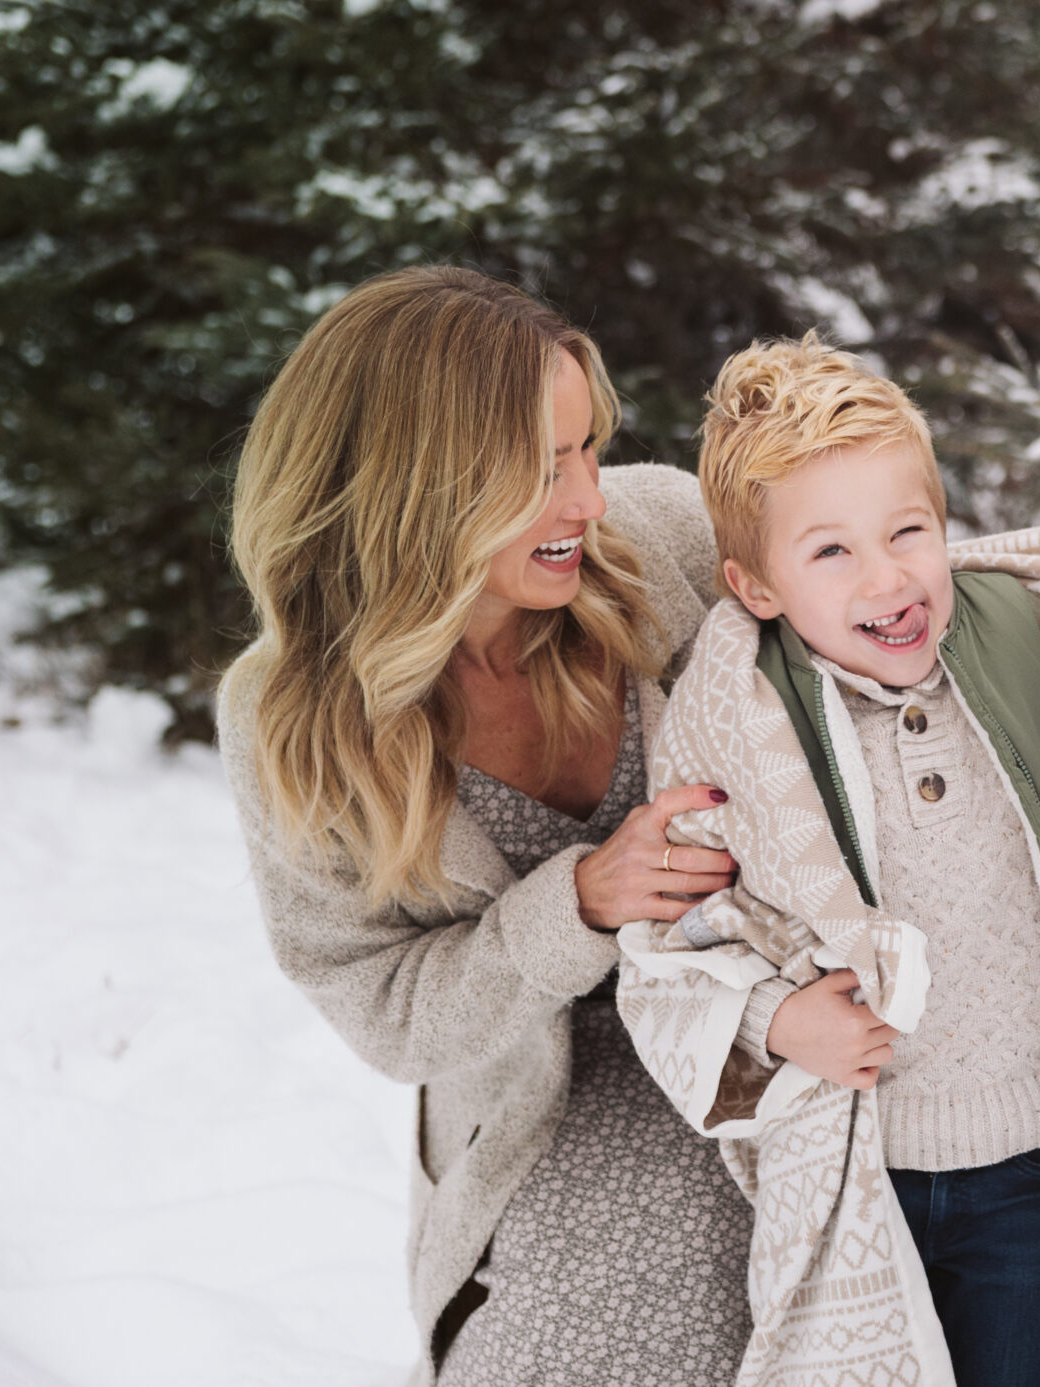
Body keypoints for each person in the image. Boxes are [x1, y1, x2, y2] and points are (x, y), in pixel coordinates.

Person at [219, 266, 755, 1385]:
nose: (589, 502)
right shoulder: (294, 720)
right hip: (550, 1109)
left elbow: (892, 601)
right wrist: (576, 905)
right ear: (415, 484)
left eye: (587, 450)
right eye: (540, 468)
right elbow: (386, 1010)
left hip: (773, 1041)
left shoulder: (667, 537)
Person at [613, 332, 1040, 1387]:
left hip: (1030, 1154)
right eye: (831, 552)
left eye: (909, 531)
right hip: (859, 1164)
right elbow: (675, 944)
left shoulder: (1017, 644)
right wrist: (775, 1020)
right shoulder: (736, 714)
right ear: (755, 586)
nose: (887, 576)